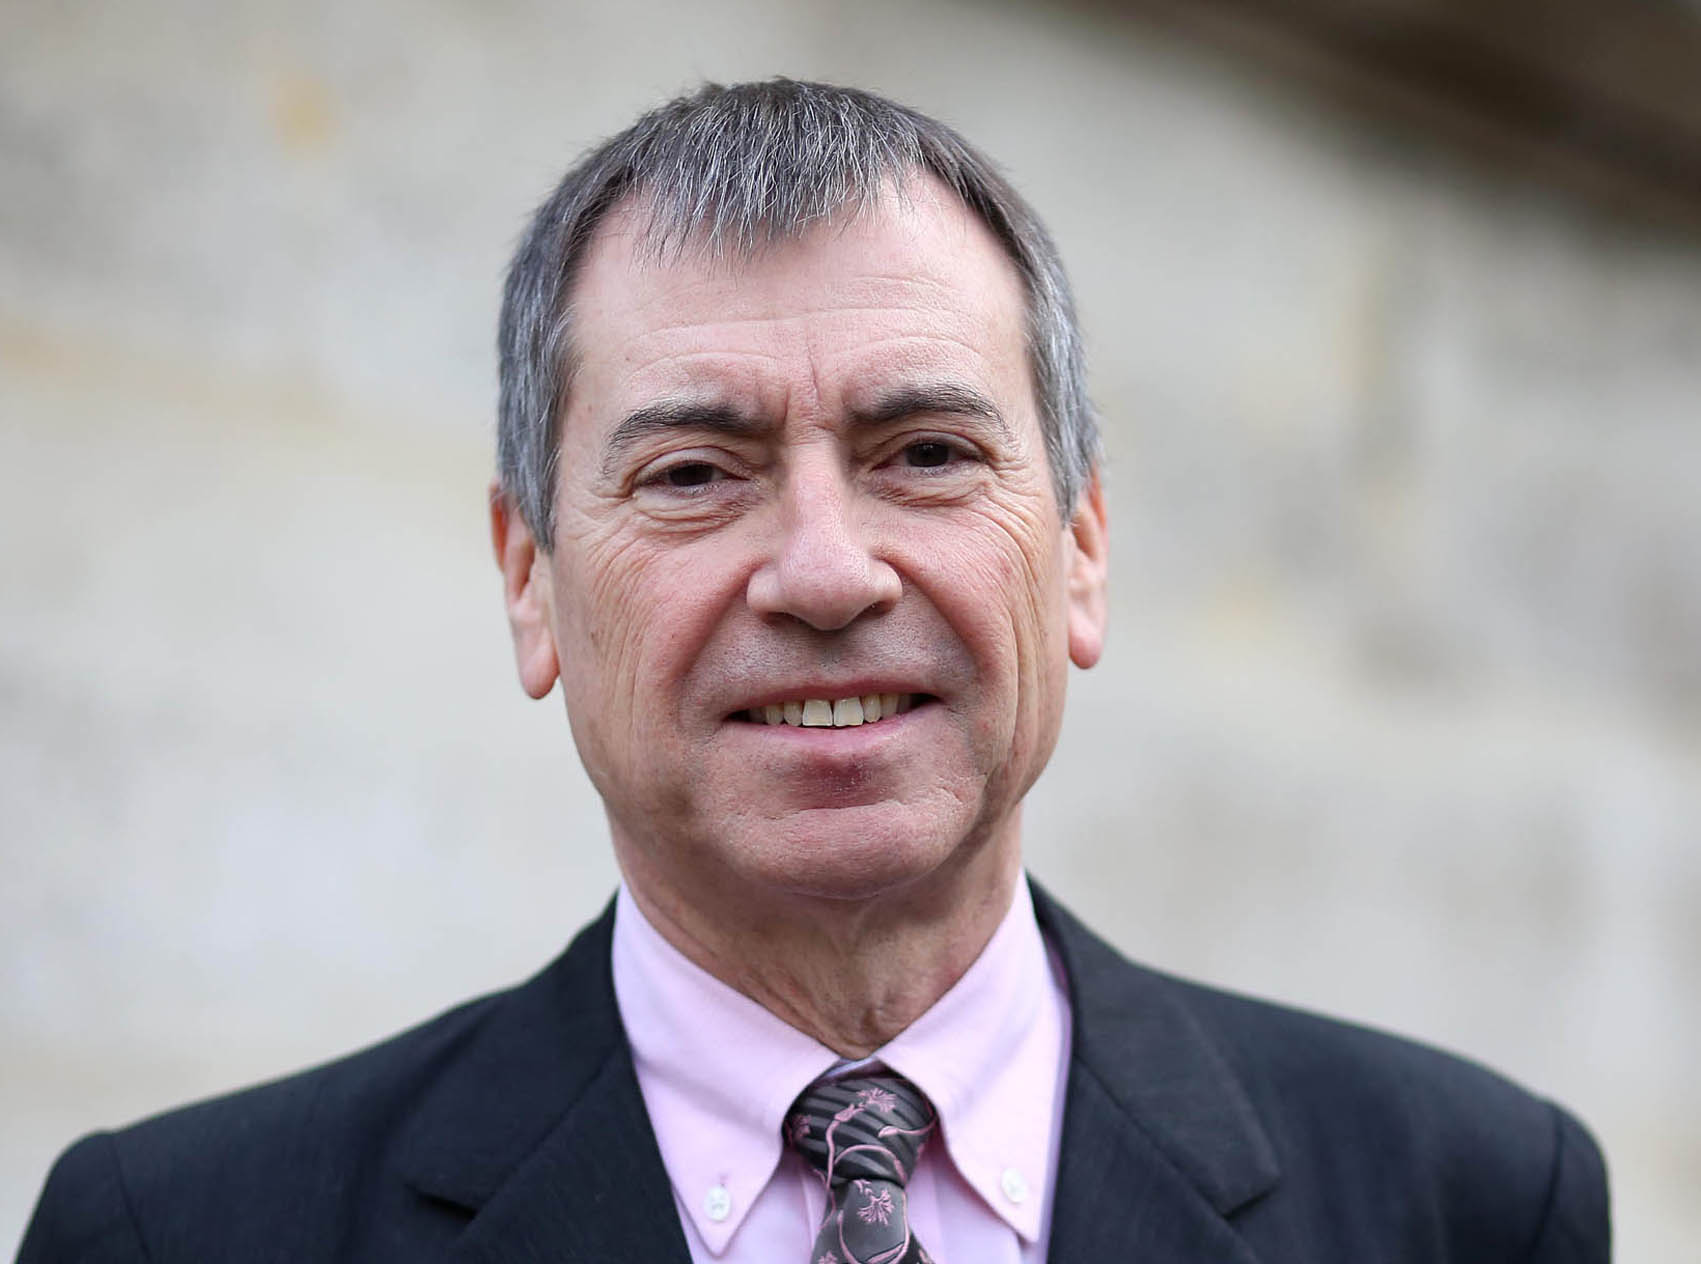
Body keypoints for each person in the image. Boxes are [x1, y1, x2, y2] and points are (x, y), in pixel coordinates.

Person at [19, 79, 1608, 1264]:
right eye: (694, 475)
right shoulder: (177, 1234)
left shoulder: (1467, 1202)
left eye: (924, 453)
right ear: (529, 580)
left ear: (1079, 548)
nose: (828, 573)